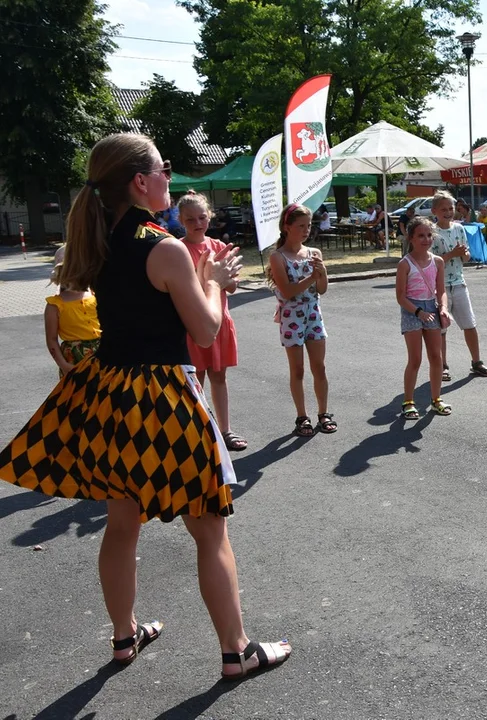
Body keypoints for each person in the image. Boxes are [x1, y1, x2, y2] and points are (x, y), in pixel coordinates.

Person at [0, 133, 291, 678]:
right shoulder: (164, 245)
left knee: (121, 521)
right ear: (139, 181)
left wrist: (202, 278)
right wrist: (219, 283)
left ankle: (124, 636)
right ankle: (237, 652)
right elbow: (205, 331)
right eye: (163, 169)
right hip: (161, 399)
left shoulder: (99, 239)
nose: (168, 176)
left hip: (108, 395)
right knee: (208, 527)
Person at [178, 193, 246, 452]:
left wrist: (225, 275)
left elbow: (232, 288)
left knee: (219, 376)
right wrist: (206, 275)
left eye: (202, 217)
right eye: (191, 219)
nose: (198, 223)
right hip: (193, 324)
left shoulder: (218, 246)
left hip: (219, 321)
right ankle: (199, 431)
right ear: (181, 221)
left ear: (210, 217)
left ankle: (225, 431)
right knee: (195, 381)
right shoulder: (178, 249)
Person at [268, 203, 335, 437]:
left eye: (309, 225)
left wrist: (322, 273)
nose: (306, 230)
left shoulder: (314, 253)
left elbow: (322, 289)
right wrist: (311, 277)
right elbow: (287, 292)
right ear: (287, 227)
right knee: (297, 369)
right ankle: (301, 416)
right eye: (301, 226)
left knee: (320, 367)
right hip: (291, 316)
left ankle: (324, 413)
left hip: (313, 314)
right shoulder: (278, 257)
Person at [429, 190, 487, 380]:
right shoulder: (431, 232)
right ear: (435, 211)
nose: (448, 212)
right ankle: (442, 366)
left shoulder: (459, 229)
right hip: (439, 287)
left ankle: (476, 362)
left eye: (451, 208)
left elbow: (466, 257)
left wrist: (463, 253)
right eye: (444, 209)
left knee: (469, 324)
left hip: (458, 282)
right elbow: (430, 261)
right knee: (441, 328)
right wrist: (452, 254)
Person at [395, 217, 453, 419]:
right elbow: (400, 297)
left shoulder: (437, 262)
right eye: (421, 235)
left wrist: (443, 308)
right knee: (415, 359)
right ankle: (408, 401)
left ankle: (436, 399)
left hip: (431, 307)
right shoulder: (405, 264)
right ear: (411, 238)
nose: (426, 239)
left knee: (436, 357)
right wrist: (418, 312)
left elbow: (441, 291)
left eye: (429, 235)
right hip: (412, 309)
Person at [44, 257, 100, 377]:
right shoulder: (54, 305)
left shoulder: (96, 295)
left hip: (103, 354)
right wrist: (64, 365)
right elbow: (51, 339)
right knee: (78, 394)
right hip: (73, 359)